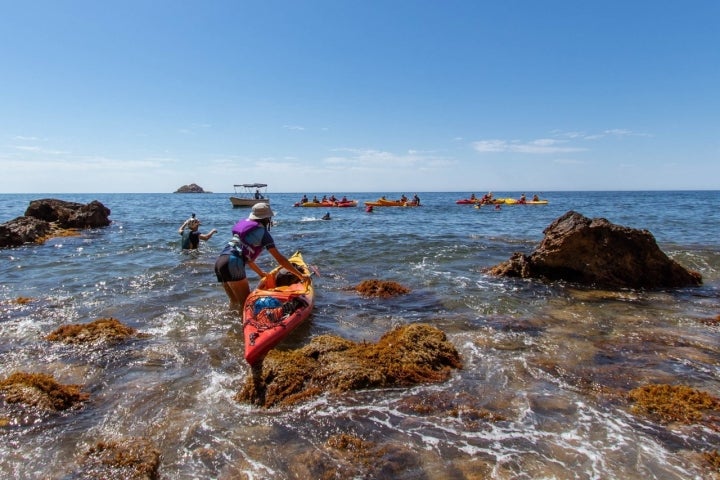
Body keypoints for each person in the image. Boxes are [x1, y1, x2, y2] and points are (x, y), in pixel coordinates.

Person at [214, 203, 310, 310]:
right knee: (247, 304)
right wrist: (301, 276)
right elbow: (280, 259)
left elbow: (247, 258)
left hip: (220, 262)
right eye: (269, 217)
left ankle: (231, 324)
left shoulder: (245, 229)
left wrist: (260, 273)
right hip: (233, 263)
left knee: (234, 302)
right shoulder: (263, 233)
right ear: (266, 218)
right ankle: (245, 326)